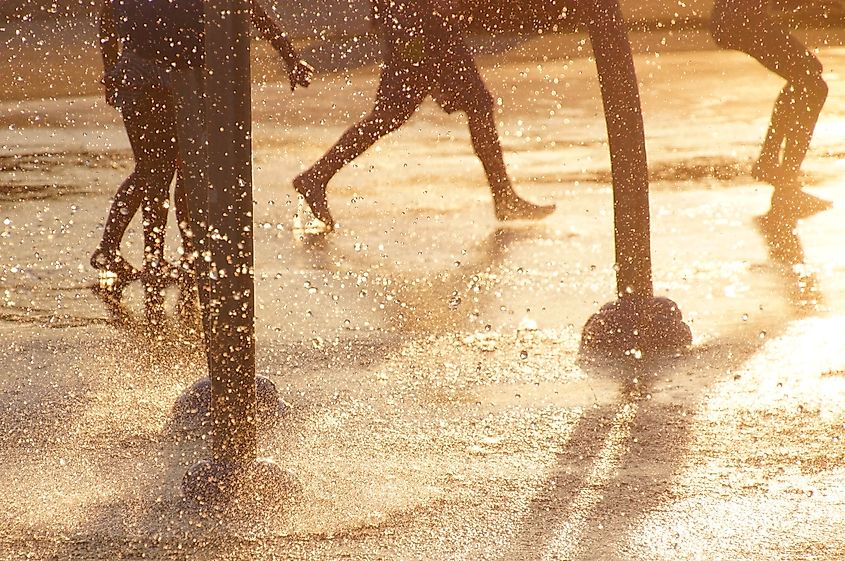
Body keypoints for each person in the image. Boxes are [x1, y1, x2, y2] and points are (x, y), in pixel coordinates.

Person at [92, 0, 313, 317]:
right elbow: (252, 11)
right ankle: (182, 258)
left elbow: (108, 18)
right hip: (179, 76)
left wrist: (111, 67)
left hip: (139, 74)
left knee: (154, 171)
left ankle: (135, 256)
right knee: (183, 170)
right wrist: (288, 55)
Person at [293, 0, 555, 230]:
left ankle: (316, 177)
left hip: (415, 23)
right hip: (423, 25)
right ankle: (504, 198)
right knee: (474, 104)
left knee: (393, 114)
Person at [711, 0, 831, 217]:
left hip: (737, 19)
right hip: (742, 21)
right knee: (813, 85)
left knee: (807, 78)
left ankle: (774, 165)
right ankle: (784, 179)